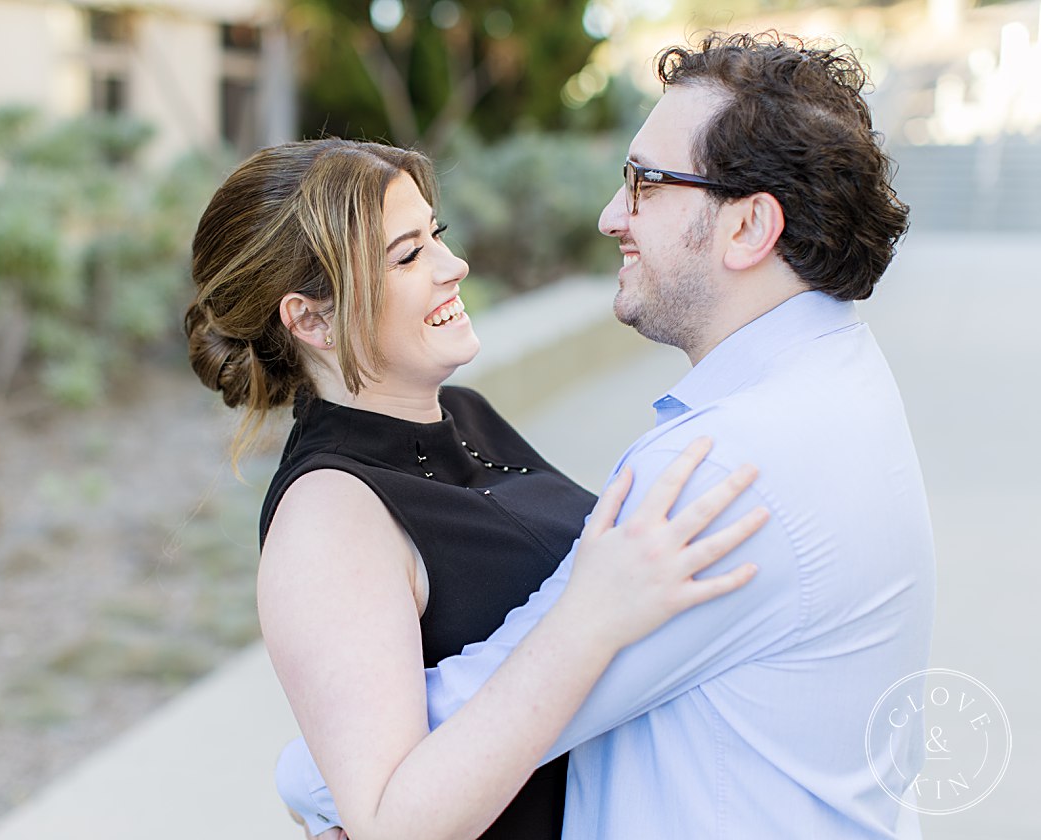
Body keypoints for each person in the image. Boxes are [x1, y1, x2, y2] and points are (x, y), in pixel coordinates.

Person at [279, 31, 936, 839]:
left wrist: (312, 773)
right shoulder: (840, 377)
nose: (609, 215)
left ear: (748, 228)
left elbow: (425, 762)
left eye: (644, 184)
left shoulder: (722, 470)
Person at [185, 138, 771, 840]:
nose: (453, 266)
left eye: (437, 236)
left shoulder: (466, 415)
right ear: (311, 320)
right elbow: (394, 824)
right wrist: (592, 616)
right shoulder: (329, 517)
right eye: (407, 256)